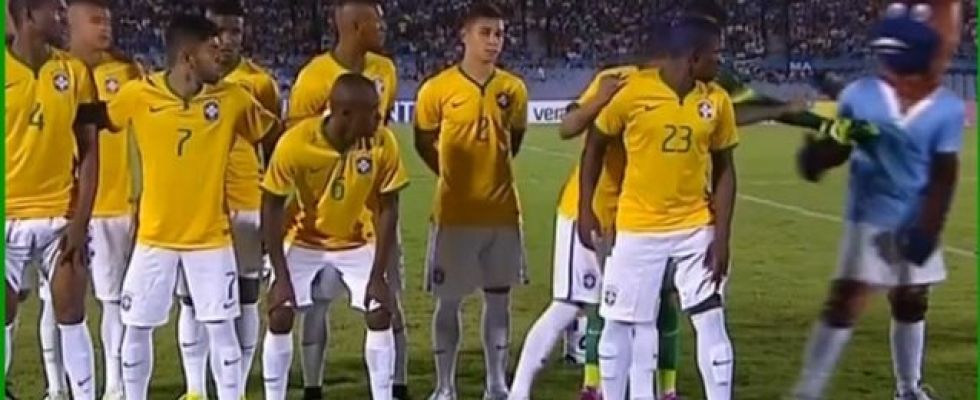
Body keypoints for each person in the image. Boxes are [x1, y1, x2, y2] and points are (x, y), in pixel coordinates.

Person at [105, 14, 278, 400]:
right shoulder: (138, 94)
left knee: (222, 328)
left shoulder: (233, 99)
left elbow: (275, 136)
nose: (222, 55)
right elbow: (98, 123)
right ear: (187, 57)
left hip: (210, 239)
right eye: (212, 50)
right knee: (137, 327)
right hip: (154, 238)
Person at [790, 13, 962, 400]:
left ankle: (908, 389)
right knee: (847, 300)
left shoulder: (946, 108)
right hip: (870, 215)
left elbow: (944, 174)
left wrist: (928, 230)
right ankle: (808, 391)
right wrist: (818, 157)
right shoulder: (861, 96)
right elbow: (838, 147)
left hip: (915, 215)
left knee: (912, 298)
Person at [579, 17, 737, 400]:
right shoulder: (633, 93)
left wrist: (721, 236)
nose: (721, 62)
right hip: (638, 229)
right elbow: (594, 146)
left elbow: (725, 169)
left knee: (711, 319)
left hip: (695, 227)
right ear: (693, 58)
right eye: (715, 54)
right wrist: (586, 207)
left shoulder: (717, 100)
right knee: (617, 324)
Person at [260, 73, 407, 400]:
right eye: (372, 112)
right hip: (304, 239)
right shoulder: (297, 142)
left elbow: (389, 208)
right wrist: (280, 276)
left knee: (380, 310)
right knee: (280, 312)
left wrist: (379, 275)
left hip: (357, 239)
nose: (379, 118)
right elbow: (271, 205)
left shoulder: (382, 142)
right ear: (344, 114)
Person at [285, 1, 406, 398]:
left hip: (376, 207)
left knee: (387, 298)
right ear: (356, 26)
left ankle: (396, 385)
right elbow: (296, 145)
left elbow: (382, 134)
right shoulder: (313, 78)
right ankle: (313, 385)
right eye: (377, 20)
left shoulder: (385, 70)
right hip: (324, 214)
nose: (384, 26)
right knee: (316, 302)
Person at [413, 3, 529, 399]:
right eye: (485, 32)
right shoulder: (437, 89)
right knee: (448, 303)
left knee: (499, 302)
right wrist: (451, 176)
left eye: (499, 34)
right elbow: (423, 142)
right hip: (454, 216)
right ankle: (445, 387)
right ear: (464, 35)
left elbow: (514, 141)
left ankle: (496, 385)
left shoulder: (513, 89)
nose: (494, 41)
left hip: (501, 214)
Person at [171, 2, 282, 399]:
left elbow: (274, 145)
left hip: (245, 202)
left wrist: (272, 204)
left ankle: (236, 384)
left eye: (235, 31)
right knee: (192, 301)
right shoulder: (187, 80)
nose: (227, 40)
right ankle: (195, 389)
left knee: (247, 297)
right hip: (196, 207)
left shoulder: (259, 83)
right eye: (219, 31)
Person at [6, 0, 101, 399]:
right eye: (56, 11)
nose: (64, 19)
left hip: (59, 216)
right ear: (29, 15)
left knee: (72, 314)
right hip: (6, 217)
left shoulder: (75, 72)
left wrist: (80, 222)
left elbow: (91, 151)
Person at [65, 0, 144, 398]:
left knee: (122, 301)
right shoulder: (63, 73)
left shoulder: (129, 72)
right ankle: (61, 386)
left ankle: (116, 384)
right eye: (96, 21)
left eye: (108, 21)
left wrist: (143, 195)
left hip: (125, 203)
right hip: (80, 207)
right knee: (65, 301)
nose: (105, 28)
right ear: (73, 24)